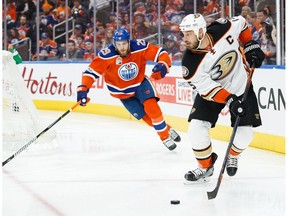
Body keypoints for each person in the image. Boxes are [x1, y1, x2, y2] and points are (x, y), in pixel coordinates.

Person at [178, 14, 264, 182]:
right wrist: (229, 99)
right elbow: (208, 89)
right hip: (214, 92)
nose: (184, 38)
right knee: (196, 129)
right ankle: (205, 167)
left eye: (188, 33)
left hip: (240, 85)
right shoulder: (189, 64)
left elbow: (242, 22)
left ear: (201, 31)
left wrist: (249, 44)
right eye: (184, 34)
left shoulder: (223, 28)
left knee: (246, 134)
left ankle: (233, 155)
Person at [77, 28, 181, 151]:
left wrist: (163, 64)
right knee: (147, 119)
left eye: (124, 44)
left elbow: (160, 53)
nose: (121, 47)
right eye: (119, 44)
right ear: (114, 44)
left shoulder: (139, 47)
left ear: (128, 41)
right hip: (122, 93)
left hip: (140, 83)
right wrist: (83, 88)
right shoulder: (107, 55)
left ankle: (164, 137)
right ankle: (167, 129)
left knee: (152, 107)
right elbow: (91, 72)